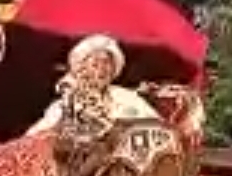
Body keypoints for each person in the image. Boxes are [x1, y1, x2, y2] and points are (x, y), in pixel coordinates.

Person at [25, 34, 160, 136]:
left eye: (107, 64)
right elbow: (35, 138)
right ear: (82, 70)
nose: (102, 69)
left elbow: (156, 126)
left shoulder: (127, 97)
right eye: (95, 64)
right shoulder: (63, 105)